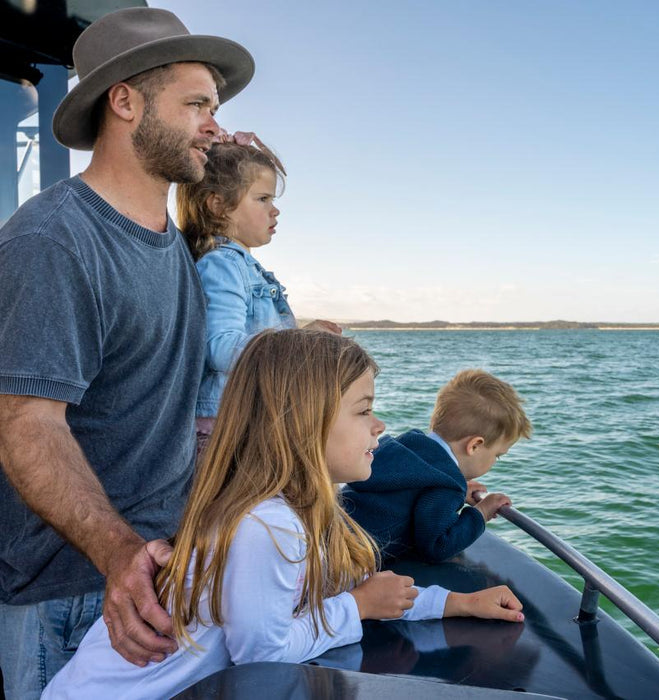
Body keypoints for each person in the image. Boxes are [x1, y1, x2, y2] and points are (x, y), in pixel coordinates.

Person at [43, 329, 524, 699]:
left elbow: (350, 593)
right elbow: (262, 654)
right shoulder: (267, 524)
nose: (380, 426)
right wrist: (357, 606)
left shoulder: (304, 512)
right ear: (303, 423)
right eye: (362, 411)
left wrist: (456, 603)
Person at [0, 7, 254, 697]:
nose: (215, 123)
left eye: (216, 107)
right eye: (196, 103)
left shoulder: (172, 243)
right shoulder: (54, 242)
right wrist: (119, 559)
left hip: (165, 577)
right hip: (80, 596)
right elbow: (27, 426)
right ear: (124, 101)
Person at [175, 135, 341, 450]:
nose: (275, 211)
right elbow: (221, 346)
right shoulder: (222, 265)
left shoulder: (240, 265)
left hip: (241, 422)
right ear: (218, 205)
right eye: (263, 199)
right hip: (225, 428)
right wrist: (298, 344)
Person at [342, 369, 532, 563]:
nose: (495, 461)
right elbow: (437, 546)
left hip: (332, 528)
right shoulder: (445, 484)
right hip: (348, 558)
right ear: (475, 445)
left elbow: (408, 490)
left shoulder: (404, 444)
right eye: (497, 456)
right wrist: (481, 513)